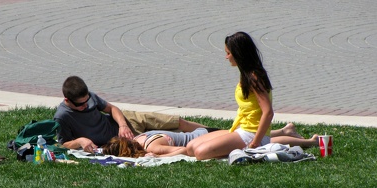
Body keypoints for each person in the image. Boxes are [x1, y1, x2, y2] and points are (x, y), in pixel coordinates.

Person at [53, 76, 206, 152]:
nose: (86, 105)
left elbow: (112, 109)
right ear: (67, 100)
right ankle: (216, 140)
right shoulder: (62, 116)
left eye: (87, 101)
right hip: (120, 141)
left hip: (127, 121)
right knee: (175, 137)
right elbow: (63, 143)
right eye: (80, 104)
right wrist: (80, 141)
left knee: (177, 122)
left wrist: (123, 125)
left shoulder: (89, 97)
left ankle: (220, 131)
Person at [186, 31, 275, 160]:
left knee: (200, 153)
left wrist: (255, 143)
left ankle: (238, 151)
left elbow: (268, 112)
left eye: (228, 53)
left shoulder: (254, 77)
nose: (226, 57)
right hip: (242, 129)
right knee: (190, 148)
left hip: (253, 134)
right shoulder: (246, 74)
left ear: (238, 54)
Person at [102, 124, 318, 158]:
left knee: (259, 140)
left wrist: (159, 156)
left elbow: (184, 150)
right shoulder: (140, 136)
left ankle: (307, 141)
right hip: (202, 132)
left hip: (202, 137)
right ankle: (287, 130)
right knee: (259, 137)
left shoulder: (151, 146)